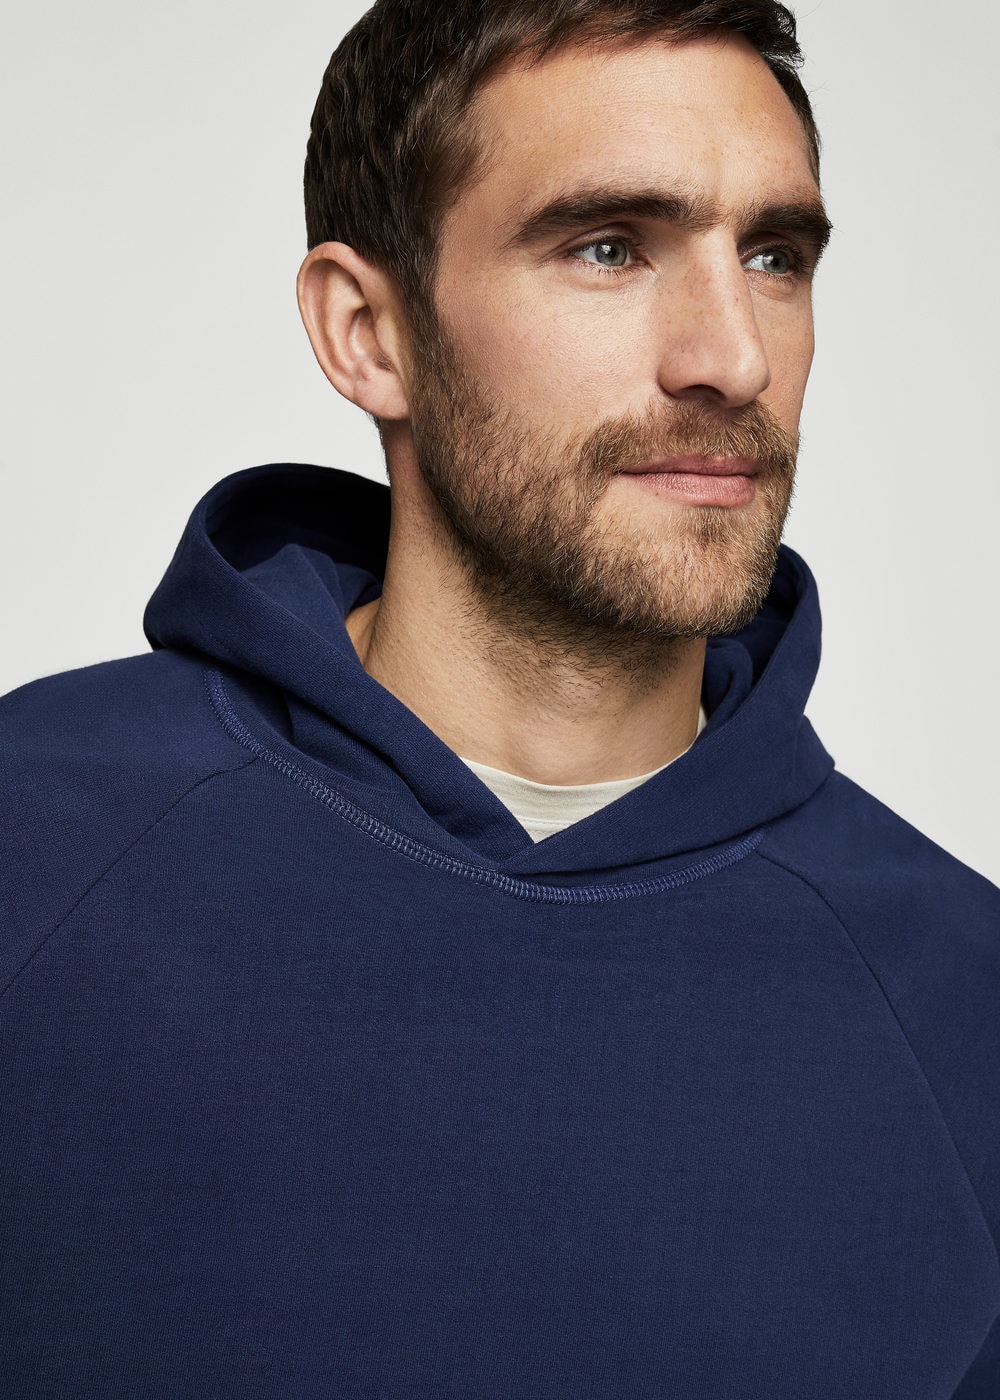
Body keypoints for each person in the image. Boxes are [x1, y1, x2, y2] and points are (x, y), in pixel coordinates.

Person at [1, 0, 997, 1394]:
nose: (734, 357)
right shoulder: (35, 847)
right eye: (609, 247)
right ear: (369, 333)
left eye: (774, 256)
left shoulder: (965, 997)